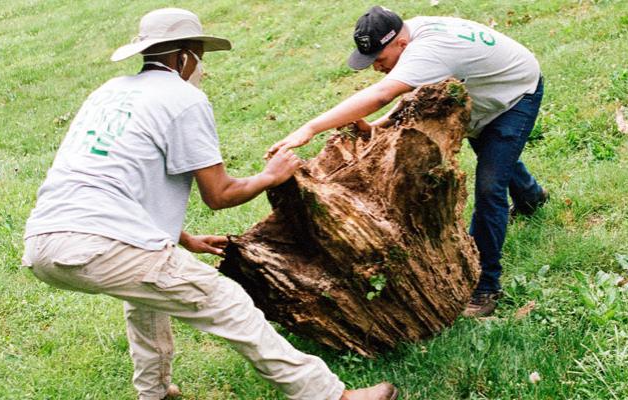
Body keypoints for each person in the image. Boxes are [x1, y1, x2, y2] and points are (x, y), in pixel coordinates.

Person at [21, 8, 397, 400]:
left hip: (45, 241)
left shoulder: (109, 93)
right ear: (184, 57)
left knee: (147, 295)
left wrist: (180, 238)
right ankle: (329, 395)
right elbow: (219, 195)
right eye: (199, 55)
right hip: (99, 242)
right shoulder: (184, 98)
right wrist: (271, 175)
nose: (201, 67)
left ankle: (155, 391)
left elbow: (112, 179)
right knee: (225, 301)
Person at [267, 6, 548, 318]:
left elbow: (383, 94)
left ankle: (485, 285)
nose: (376, 68)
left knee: (490, 186)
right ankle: (531, 197)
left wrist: (309, 129)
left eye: (379, 60)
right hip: (483, 95)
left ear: (399, 44)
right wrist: (378, 127)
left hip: (515, 95)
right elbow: (413, 91)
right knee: (493, 156)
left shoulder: (429, 49)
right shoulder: (411, 34)